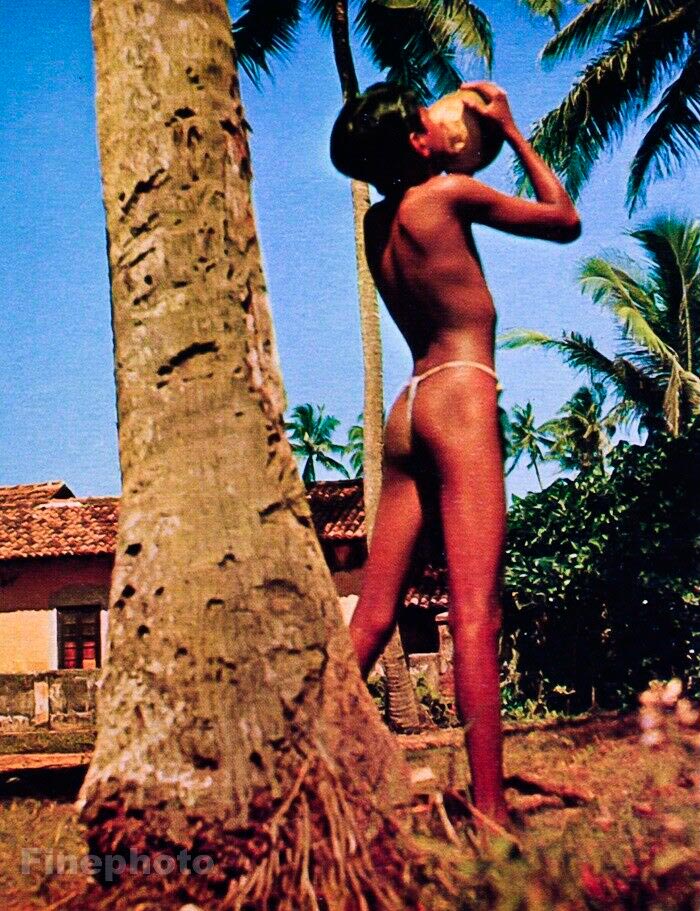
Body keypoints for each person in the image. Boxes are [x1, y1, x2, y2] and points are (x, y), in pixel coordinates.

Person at [329, 81, 580, 830]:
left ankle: (298, 770)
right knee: (475, 614)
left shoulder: (380, 222)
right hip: (461, 397)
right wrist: (511, 128)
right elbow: (563, 220)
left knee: (372, 617)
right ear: (415, 144)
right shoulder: (446, 194)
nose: (441, 123)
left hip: (407, 407)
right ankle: (493, 808)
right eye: (425, 122)